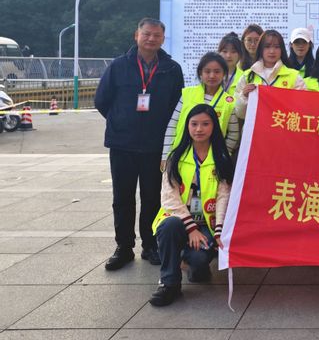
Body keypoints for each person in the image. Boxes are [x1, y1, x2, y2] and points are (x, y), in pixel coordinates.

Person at [95, 18, 184, 271]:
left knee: (153, 198)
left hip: (155, 146)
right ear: (137, 35)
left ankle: (150, 244)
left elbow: (177, 106)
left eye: (156, 35)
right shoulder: (119, 66)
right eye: (146, 34)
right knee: (122, 198)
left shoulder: (171, 69)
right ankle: (124, 247)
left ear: (163, 39)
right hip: (122, 144)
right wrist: (120, 121)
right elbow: (102, 100)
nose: (151, 39)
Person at [148, 104, 234, 307]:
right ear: (187, 126)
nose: (199, 129)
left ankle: (192, 262)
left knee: (199, 261)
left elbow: (223, 197)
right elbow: (169, 198)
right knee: (169, 227)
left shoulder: (222, 158)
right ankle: (169, 283)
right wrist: (191, 228)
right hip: (179, 220)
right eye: (194, 124)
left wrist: (219, 231)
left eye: (205, 124)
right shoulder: (176, 157)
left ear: (214, 126)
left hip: (207, 223)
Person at [161, 52, 239, 162]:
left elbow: (234, 134)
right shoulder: (187, 94)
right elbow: (172, 125)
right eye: (207, 71)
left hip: (212, 162)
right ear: (200, 73)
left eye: (217, 71)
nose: (212, 76)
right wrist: (166, 156)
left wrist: (222, 154)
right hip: (182, 157)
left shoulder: (229, 102)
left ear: (224, 74)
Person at [234, 30, 307, 121]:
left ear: (282, 50)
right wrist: (244, 96)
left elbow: (303, 108)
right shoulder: (248, 76)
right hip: (256, 129)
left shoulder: (294, 76)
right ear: (260, 49)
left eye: (276, 47)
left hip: (283, 127)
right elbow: (239, 114)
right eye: (267, 47)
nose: (272, 51)